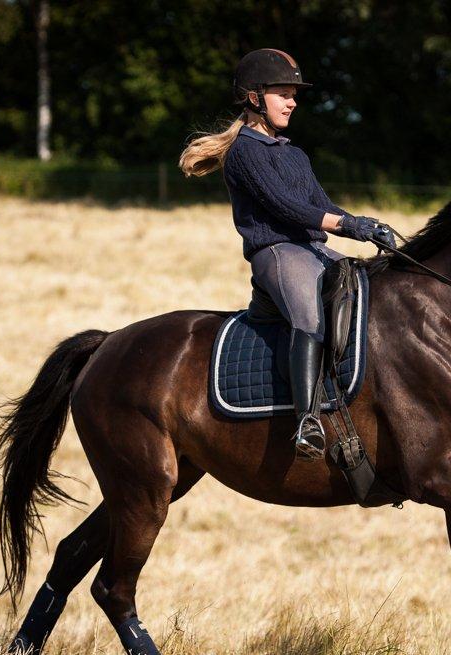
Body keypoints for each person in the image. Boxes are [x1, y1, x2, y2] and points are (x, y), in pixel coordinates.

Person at [179, 48, 389, 461]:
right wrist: (347, 226)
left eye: (294, 94)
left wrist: (367, 226)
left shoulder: (295, 154)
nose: (292, 101)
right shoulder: (244, 152)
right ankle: (307, 421)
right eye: (283, 93)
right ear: (255, 97)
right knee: (309, 316)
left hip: (311, 248)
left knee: (368, 292)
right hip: (277, 251)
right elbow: (285, 208)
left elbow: (320, 202)